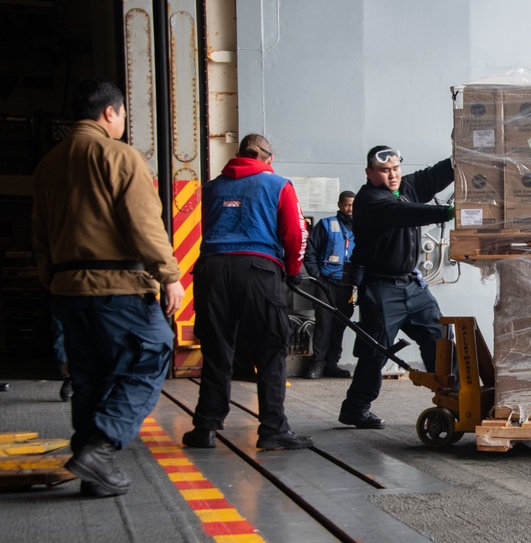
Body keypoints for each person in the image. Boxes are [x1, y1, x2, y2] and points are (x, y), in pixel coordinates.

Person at [32, 77, 184, 497]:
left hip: (67, 289)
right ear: (110, 112)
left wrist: (52, 280)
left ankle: (92, 471)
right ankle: (100, 449)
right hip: (116, 286)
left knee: (91, 377)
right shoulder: (119, 156)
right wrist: (168, 275)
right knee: (151, 355)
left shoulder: (49, 163)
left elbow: (39, 234)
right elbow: (143, 223)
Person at [182, 134, 313, 451]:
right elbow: (295, 232)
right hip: (257, 270)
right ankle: (272, 429)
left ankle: (205, 426)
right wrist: (294, 272)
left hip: (212, 270)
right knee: (270, 349)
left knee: (217, 349)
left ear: (238, 155)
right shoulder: (278, 184)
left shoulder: (212, 187)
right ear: (268, 158)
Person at [338, 146, 454, 429]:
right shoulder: (370, 200)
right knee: (374, 350)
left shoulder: (407, 186)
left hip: (412, 286)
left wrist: (461, 156)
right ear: (369, 173)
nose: (392, 175)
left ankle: (453, 398)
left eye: (395, 169)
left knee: (439, 338)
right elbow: (404, 213)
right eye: (384, 171)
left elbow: (436, 174)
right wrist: (451, 212)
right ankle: (355, 407)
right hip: (380, 289)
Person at [302, 190, 356, 379]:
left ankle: (332, 364)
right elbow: (310, 252)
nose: (350, 208)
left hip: (348, 284)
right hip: (326, 282)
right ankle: (317, 364)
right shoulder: (326, 225)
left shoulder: (362, 227)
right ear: (340, 205)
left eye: (353, 205)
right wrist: (316, 276)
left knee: (340, 324)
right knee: (324, 323)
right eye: (347, 204)